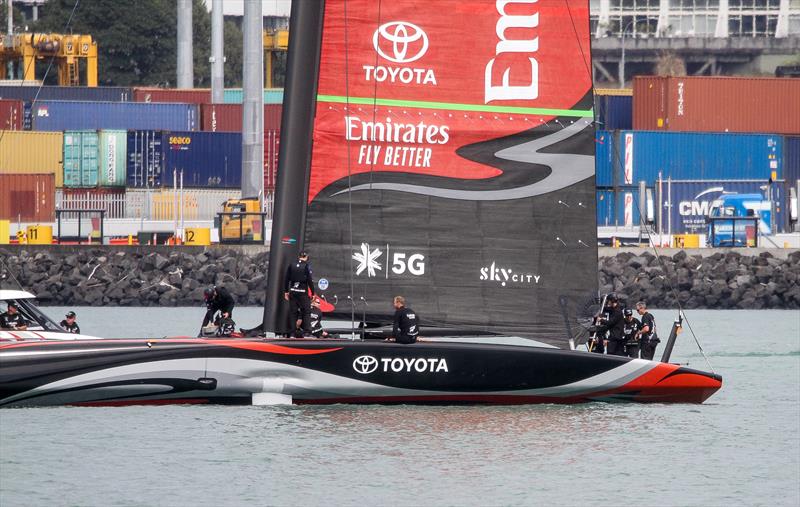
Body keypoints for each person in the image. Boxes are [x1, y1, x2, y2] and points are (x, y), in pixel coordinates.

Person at [284, 251, 314, 337]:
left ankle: (292, 333)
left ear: (299, 256)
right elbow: (309, 280)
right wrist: (313, 293)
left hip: (293, 292)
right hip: (303, 294)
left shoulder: (292, 265)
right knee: (306, 311)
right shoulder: (307, 266)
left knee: (293, 312)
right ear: (306, 257)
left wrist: (286, 292)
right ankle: (307, 332)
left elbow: (286, 279)